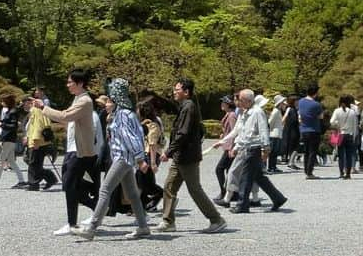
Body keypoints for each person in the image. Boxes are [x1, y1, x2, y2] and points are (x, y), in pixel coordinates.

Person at [72, 80, 153, 241]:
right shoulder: (125, 113)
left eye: (109, 100)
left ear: (117, 99)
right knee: (132, 194)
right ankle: (143, 227)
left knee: (105, 190)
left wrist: (140, 159)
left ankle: (92, 228)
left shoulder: (122, 115)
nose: (107, 104)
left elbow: (130, 138)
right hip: (125, 159)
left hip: (122, 158)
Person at [154, 78, 225, 233]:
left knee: (195, 189)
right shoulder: (185, 106)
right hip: (180, 156)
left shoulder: (189, 107)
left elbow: (183, 133)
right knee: (169, 187)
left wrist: (168, 151)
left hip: (187, 157)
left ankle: (216, 219)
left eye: (177, 89)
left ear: (186, 92)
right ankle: (168, 221)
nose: (174, 92)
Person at [37, 69, 99, 236]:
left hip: (79, 151)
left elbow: (65, 116)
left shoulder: (85, 100)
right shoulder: (78, 99)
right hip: (74, 149)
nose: (68, 85)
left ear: (79, 83)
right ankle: (95, 211)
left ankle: (74, 223)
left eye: (70, 82)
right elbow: (70, 122)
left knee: (70, 185)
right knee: (71, 186)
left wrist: (44, 107)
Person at [230, 88, 288, 214]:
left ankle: (242, 204)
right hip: (249, 147)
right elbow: (243, 132)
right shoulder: (247, 112)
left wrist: (265, 149)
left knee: (246, 177)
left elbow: (263, 131)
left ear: (247, 100)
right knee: (258, 177)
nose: (238, 102)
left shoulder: (257, 112)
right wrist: (237, 146)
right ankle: (278, 198)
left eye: (240, 99)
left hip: (254, 148)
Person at [329, 95, 359, 179]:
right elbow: (355, 126)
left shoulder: (337, 111)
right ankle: (348, 173)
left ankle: (341, 172)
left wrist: (338, 125)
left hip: (340, 134)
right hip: (349, 135)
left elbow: (331, 121)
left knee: (341, 155)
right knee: (349, 155)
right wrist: (354, 136)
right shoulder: (352, 112)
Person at [297, 85, 323, 179]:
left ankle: (306, 170)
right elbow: (321, 117)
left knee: (306, 151)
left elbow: (300, 113)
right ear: (315, 93)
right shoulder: (316, 104)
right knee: (313, 151)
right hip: (314, 130)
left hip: (303, 129)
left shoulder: (300, 102)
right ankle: (309, 172)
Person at [281, 95, 300, 169]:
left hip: (292, 129)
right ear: (293, 101)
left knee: (294, 146)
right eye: (297, 101)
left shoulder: (293, 109)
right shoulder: (290, 109)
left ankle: (291, 162)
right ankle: (291, 162)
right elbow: (284, 119)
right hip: (292, 129)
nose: (298, 102)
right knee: (295, 147)